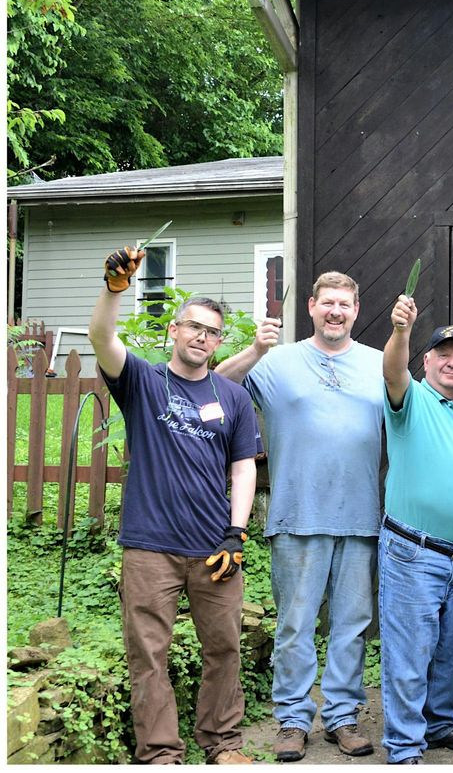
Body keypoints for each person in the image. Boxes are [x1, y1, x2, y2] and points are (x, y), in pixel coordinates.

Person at [89, 245, 259, 765]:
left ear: (218, 341)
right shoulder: (142, 381)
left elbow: (243, 466)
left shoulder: (232, 398)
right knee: (148, 656)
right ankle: (161, 752)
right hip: (149, 548)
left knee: (224, 650)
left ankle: (223, 743)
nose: (202, 338)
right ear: (174, 330)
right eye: (194, 327)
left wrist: (237, 531)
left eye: (212, 332)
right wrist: (115, 289)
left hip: (214, 548)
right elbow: (102, 337)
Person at [214, 273, 383, 761]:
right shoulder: (278, 361)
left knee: (352, 624)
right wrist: (254, 351)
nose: (336, 311)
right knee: (295, 625)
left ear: (356, 309)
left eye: (344, 304)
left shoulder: (377, 363)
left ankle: (342, 717)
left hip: (360, 518)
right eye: (327, 302)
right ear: (311, 306)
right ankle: (291, 719)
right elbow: (212, 385)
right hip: (296, 515)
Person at [378, 293, 453, 764]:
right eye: (443, 355)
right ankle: (405, 746)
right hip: (414, 551)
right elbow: (391, 370)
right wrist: (401, 330)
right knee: (409, 656)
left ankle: (438, 723)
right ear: (426, 361)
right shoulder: (409, 400)